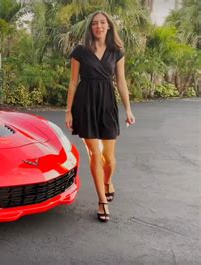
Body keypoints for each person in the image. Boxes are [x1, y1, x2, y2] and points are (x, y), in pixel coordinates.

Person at [65, 11, 136, 222]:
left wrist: (128, 109)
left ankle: (108, 181)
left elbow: (121, 82)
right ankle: (102, 200)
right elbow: (73, 82)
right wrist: (68, 110)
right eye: (95, 23)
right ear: (90, 28)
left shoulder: (117, 51)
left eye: (102, 22)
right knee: (95, 154)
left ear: (109, 26)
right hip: (85, 105)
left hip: (107, 104)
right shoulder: (80, 51)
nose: (99, 26)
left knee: (109, 159)